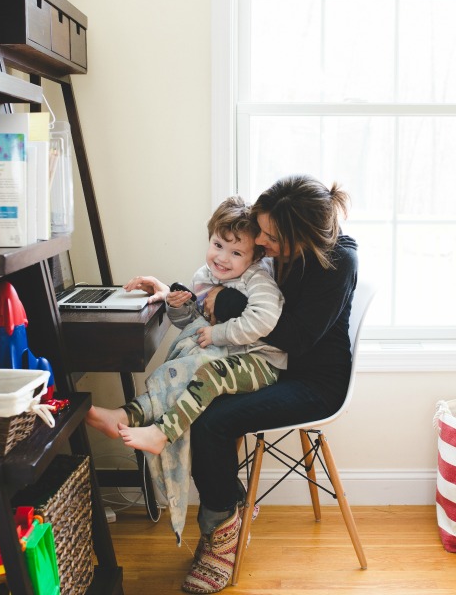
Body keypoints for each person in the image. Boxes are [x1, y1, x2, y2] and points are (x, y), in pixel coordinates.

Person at [181, 175, 358, 594]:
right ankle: (231, 510)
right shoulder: (284, 251)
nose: (260, 242)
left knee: (212, 422)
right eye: (261, 230)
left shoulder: (337, 263)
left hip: (316, 384)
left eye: (270, 237)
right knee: (195, 400)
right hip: (272, 366)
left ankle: (223, 535)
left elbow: (295, 336)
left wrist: (227, 302)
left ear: (300, 237)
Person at [84, 196, 288, 540]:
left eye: (236, 252)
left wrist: (218, 333)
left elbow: (265, 321)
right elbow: (194, 323)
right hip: (227, 355)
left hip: (261, 362)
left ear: (255, 257)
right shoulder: (204, 276)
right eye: (218, 245)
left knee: (204, 374)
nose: (222, 258)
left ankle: (161, 432)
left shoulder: (258, 280)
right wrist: (178, 305)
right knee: (174, 372)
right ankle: (126, 415)